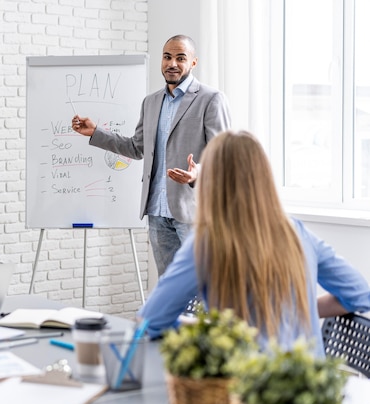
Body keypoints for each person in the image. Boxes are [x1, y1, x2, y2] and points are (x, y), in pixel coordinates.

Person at [137, 130, 370, 355]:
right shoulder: (296, 231)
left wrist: (211, 329)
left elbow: (150, 321)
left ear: (211, 183)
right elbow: (360, 294)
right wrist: (294, 311)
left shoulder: (208, 242)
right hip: (310, 388)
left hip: (247, 388)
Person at [72, 34, 231, 275]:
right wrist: (95, 133)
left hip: (193, 211)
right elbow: (136, 148)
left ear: (193, 62)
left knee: (201, 284)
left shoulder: (210, 99)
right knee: (168, 286)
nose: (172, 64)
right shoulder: (151, 102)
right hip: (157, 211)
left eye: (180, 58)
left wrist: (198, 173)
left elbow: (224, 156)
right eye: (167, 57)